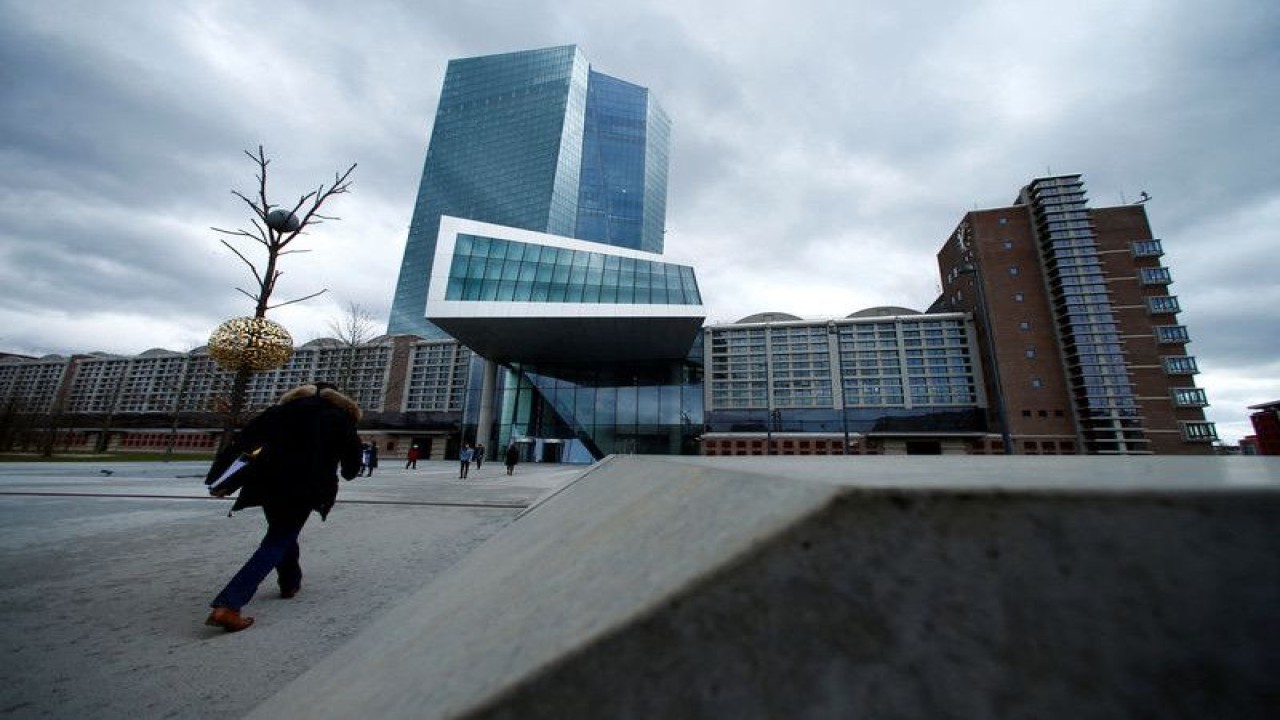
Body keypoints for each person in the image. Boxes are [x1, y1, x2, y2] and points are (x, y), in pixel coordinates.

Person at [203, 382, 362, 632]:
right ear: (337, 398)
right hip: (305, 486)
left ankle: (290, 582)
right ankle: (230, 604)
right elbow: (353, 458)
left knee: (281, 531)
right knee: (279, 538)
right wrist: (350, 471)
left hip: (266, 483)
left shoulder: (276, 413)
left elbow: (240, 446)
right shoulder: (338, 417)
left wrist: (222, 480)